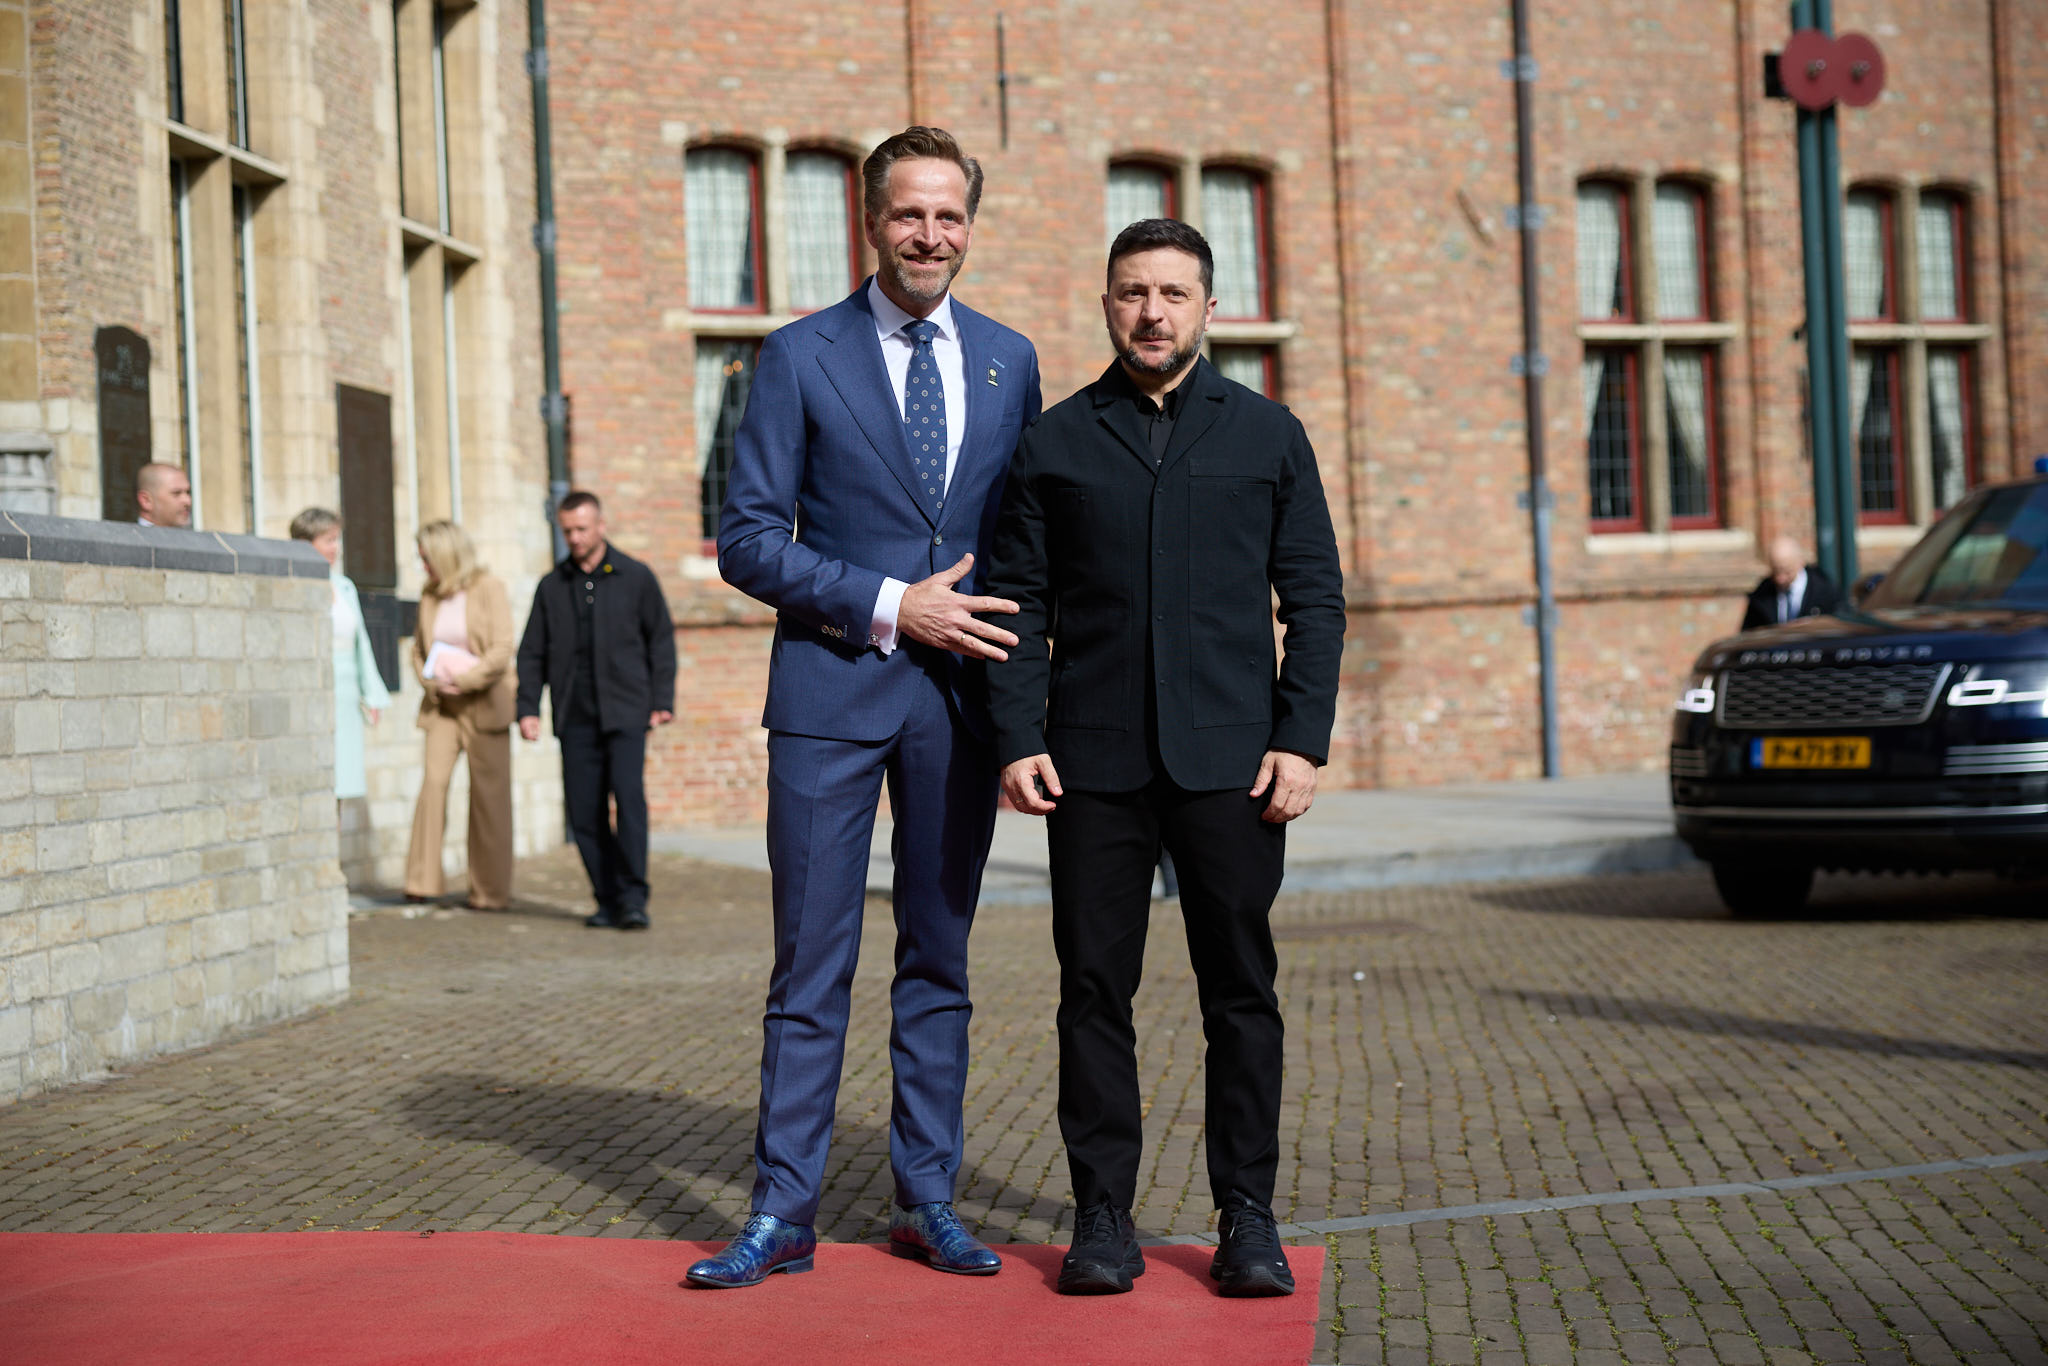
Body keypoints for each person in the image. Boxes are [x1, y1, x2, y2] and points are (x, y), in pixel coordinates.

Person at [691, 126, 1042, 1290]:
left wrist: (1035, 696)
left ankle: (925, 1197)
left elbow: (1025, 544)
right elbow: (746, 538)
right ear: (869, 221)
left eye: (948, 215)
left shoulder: (1009, 360)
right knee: (809, 965)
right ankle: (781, 1211)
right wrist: (893, 604)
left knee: (938, 959)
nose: (928, 235)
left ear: (968, 225)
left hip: (960, 705)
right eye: (907, 214)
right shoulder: (798, 356)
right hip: (829, 693)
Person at [985, 219, 1345, 1298]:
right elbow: (1019, 605)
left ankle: (1247, 1216)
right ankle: (1103, 1216)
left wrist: (1300, 740)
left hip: (1234, 768)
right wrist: (1018, 735)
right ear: (1107, 304)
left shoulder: (1269, 435)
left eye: (1173, 294)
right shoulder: (1054, 442)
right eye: (1133, 292)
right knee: (1093, 992)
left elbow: (1315, 600)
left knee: (1240, 992)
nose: (1152, 313)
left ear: (1208, 309)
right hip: (1091, 770)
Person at [514, 491, 676, 931]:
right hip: (575, 715)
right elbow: (531, 652)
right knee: (584, 812)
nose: (575, 538)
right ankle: (606, 898)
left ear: (601, 526)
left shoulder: (636, 577)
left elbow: (660, 640)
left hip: (627, 711)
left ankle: (634, 898)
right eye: (568, 531)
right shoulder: (552, 587)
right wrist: (528, 707)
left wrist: (662, 700)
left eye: (582, 529)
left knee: (629, 803)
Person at [403, 520, 516, 911]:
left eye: (427, 558)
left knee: (489, 799)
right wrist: (430, 682)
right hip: (442, 708)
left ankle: (489, 892)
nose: (423, 566)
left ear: (446, 555)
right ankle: (421, 881)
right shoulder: (429, 594)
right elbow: (418, 650)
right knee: (432, 786)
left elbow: (502, 648)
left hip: (485, 704)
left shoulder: (488, 587)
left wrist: (467, 679)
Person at [289, 507, 390, 803]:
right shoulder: (293, 586)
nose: (336, 548)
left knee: (342, 783)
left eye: (337, 539)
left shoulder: (345, 587)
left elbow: (362, 644)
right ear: (306, 544)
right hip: (312, 694)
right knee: (314, 784)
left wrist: (372, 695)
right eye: (329, 540)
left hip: (346, 697)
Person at [1741, 535, 1842, 631]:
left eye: (1787, 572)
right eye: (1775, 571)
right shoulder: (1761, 595)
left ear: (1800, 562)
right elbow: (1748, 633)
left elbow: (1839, 626)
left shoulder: (1824, 591)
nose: (1780, 579)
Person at [135, 462, 192, 528]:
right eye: (176, 493)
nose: (188, 501)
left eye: (188, 492)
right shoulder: (127, 534)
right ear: (146, 500)